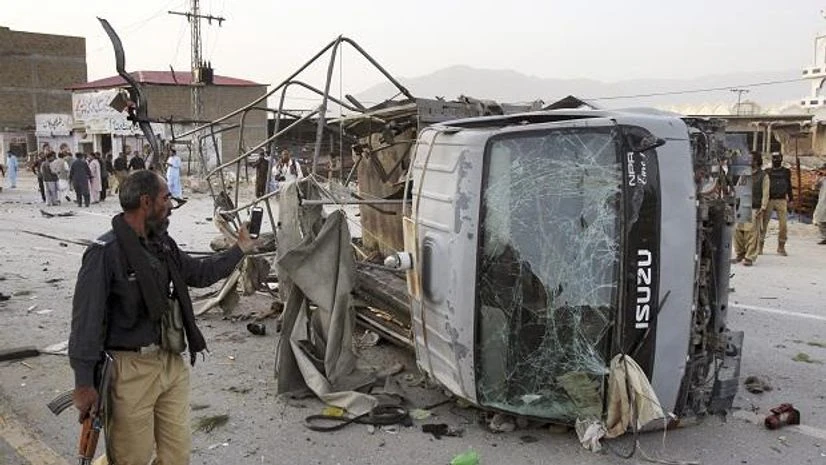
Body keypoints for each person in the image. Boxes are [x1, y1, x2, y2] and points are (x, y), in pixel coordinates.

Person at [69, 170, 255, 464]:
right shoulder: (104, 254)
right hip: (129, 371)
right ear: (146, 202)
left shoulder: (162, 244)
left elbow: (198, 273)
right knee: (132, 457)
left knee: (176, 455)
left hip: (169, 363)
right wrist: (83, 383)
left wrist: (239, 250)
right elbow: (85, 324)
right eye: (166, 198)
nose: (171, 204)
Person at [733, 152, 770, 266]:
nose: (748, 161)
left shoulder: (763, 176)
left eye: (751, 159)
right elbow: (739, 188)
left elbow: (766, 192)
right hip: (742, 206)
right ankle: (740, 253)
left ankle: (750, 257)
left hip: (755, 207)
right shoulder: (744, 173)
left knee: (751, 233)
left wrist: (763, 208)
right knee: (737, 231)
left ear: (756, 161)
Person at [759, 152, 794, 256]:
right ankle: (760, 246)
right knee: (763, 224)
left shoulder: (786, 172)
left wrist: (791, 199)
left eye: (777, 158)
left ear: (781, 159)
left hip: (782, 200)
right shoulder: (767, 171)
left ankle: (781, 247)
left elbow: (789, 185)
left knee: (783, 225)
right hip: (769, 199)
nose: (776, 160)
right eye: (774, 158)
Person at [814, 165, 826, 245]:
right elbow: (814, 187)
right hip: (823, 202)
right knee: (820, 219)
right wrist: (818, 177)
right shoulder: (822, 179)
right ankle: (825, 237)